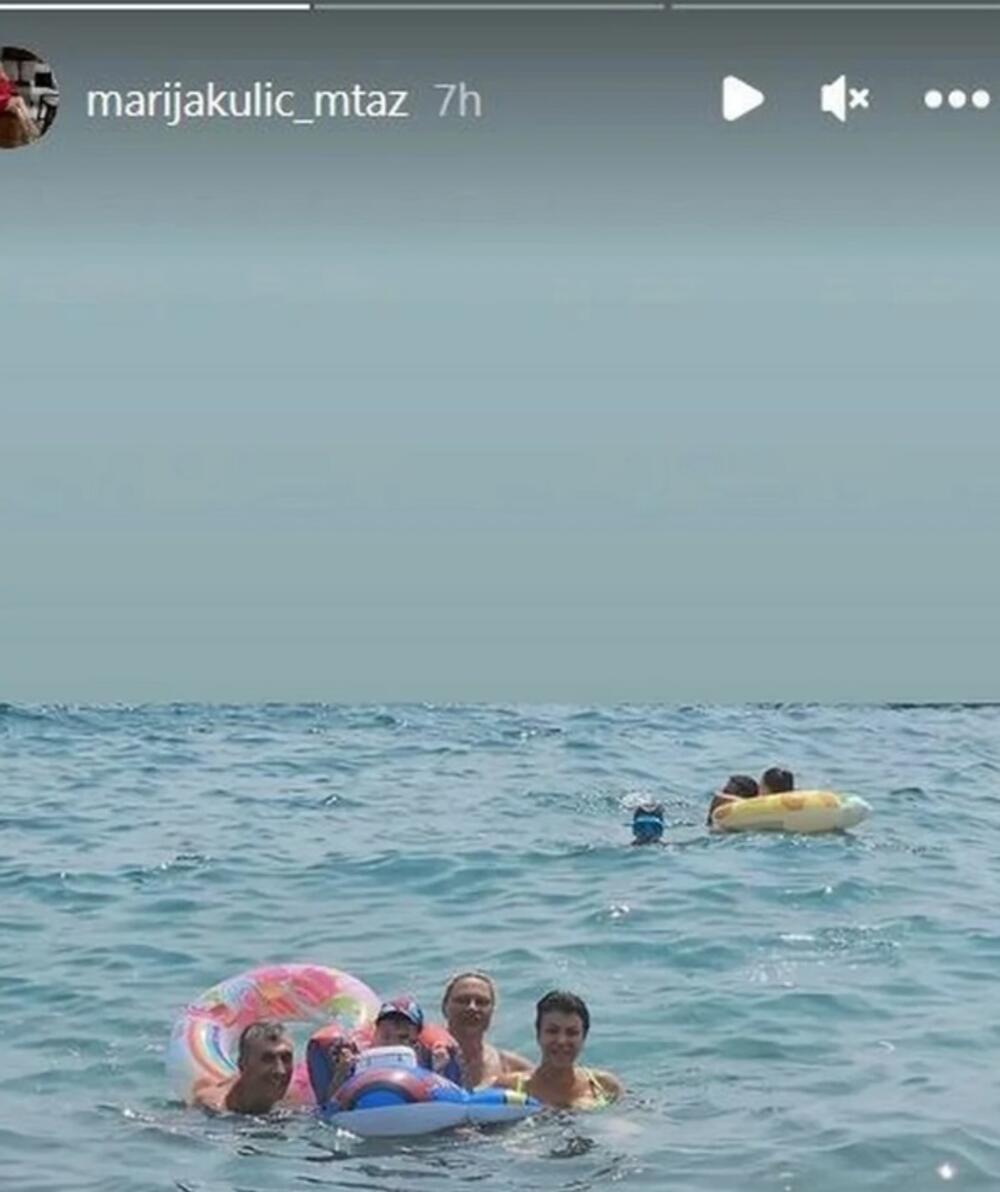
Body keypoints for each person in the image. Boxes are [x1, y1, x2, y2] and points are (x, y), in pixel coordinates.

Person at [310, 996, 460, 1100]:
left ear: (416, 1040)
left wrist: (439, 1071)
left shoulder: (427, 1060)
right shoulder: (358, 1060)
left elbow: (449, 1102)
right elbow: (330, 1105)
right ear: (375, 1033)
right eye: (386, 1035)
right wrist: (342, 1072)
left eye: (403, 1037)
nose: (392, 1042)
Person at [495, 990, 622, 1110]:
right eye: (552, 1031)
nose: (561, 1041)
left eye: (572, 1033)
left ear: (584, 1037)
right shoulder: (508, 1088)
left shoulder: (604, 1087)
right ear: (538, 1034)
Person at [441, 970, 532, 1089]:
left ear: (492, 1011)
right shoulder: (421, 1060)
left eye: (481, 1002)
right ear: (445, 1007)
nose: (472, 1008)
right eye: (462, 1000)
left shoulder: (512, 1068)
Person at [193, 1019, 294, 1114]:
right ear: (242, 1065)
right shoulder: (212, 1107)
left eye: (286, 1058)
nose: (280, 1070)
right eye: (268, 1059)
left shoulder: (293, 1103)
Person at [0, 65, 40, 149]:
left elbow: (11, 89)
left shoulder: (3, 79)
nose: (1, 71)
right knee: (19, 99)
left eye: (1, 69)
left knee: (17, 110)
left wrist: (7, 80)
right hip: (2, 102)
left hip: (5, 103)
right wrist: (8, 98)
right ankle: (31, 125)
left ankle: (28, 133)